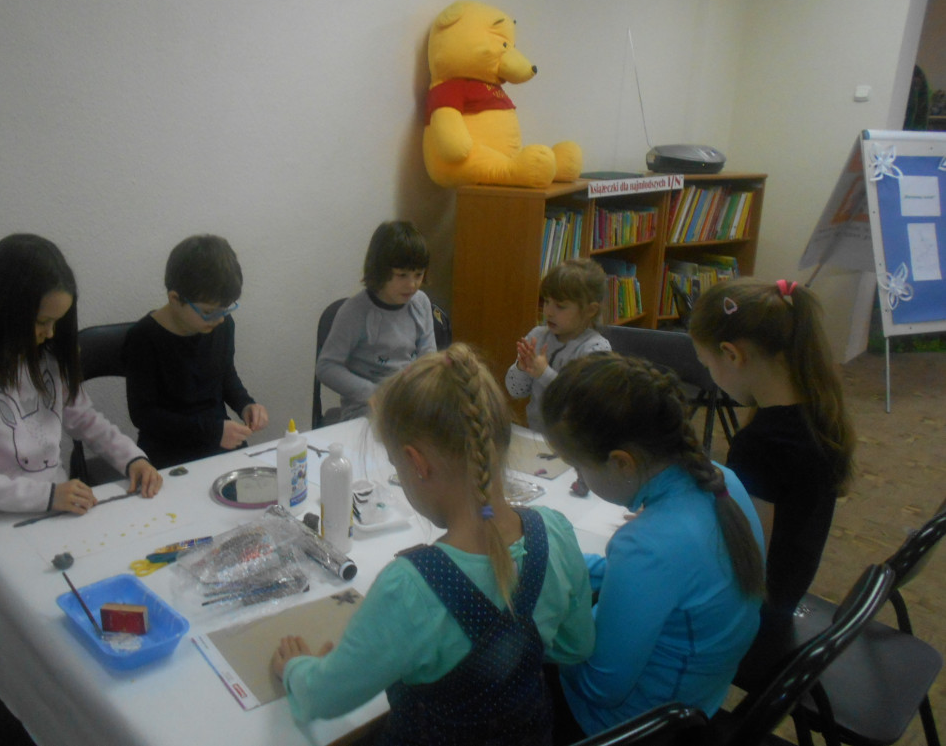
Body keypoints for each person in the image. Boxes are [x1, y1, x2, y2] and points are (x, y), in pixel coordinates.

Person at [272, 344, 595, 746]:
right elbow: (577, 646)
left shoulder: (409, 589)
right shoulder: (556, 532)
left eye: (396, 465)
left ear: (417, 463)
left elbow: (322, 697)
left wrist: (295, 669)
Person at [541, 351, 765, 739]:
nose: (579, 478)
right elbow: (660, 581)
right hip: (699, 698)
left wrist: (547, 632)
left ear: (621, 463)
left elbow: (600, 689)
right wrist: (562, 561)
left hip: (636, 727)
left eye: (579, 468)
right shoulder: (723, 481)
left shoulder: (646, 546)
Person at [0, 234, 161, 531]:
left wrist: (132, 459)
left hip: (52, 506)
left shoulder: (48, 356)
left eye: (57, 322)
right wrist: (47, 496)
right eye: (41, 322)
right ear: (4, 311)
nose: (50, 333)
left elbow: (84, 419)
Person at [689, 278, 855, 680]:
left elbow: (746, 555)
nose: (710, 376)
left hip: (758, 614)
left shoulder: (761, 443)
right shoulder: (817, 411)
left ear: (732, 354)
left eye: (708, 366)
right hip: (788, 589)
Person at [124, 235, 268, 467]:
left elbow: (225, 376)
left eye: (225, 309)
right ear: (175, 299)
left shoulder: (221, 325)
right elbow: (144, 415)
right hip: (167, 450)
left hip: (219, 439)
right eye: (209, 312)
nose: (219, 319)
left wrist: (246, 405)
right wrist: (211, 431)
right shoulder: (144, 337)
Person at [316, 220, 436, 422]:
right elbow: (326, 367)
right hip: (365, 409)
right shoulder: (355, 311)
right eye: (402, 275)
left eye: (418, 274)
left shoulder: (420, 302)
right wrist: (371, 392)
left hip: (408, 403)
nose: (412, 284)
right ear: (381, 271)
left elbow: (428, 355)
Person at [505, 258, 610, 435]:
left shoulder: (596, 349)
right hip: (537, 435)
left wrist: (544, 374)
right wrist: (521, 368)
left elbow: (580, 404)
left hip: (575, 442)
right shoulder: (538, 336)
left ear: (590, 310)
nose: (548, 312)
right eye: (546, 302)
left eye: (560, 306)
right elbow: (515, 392)